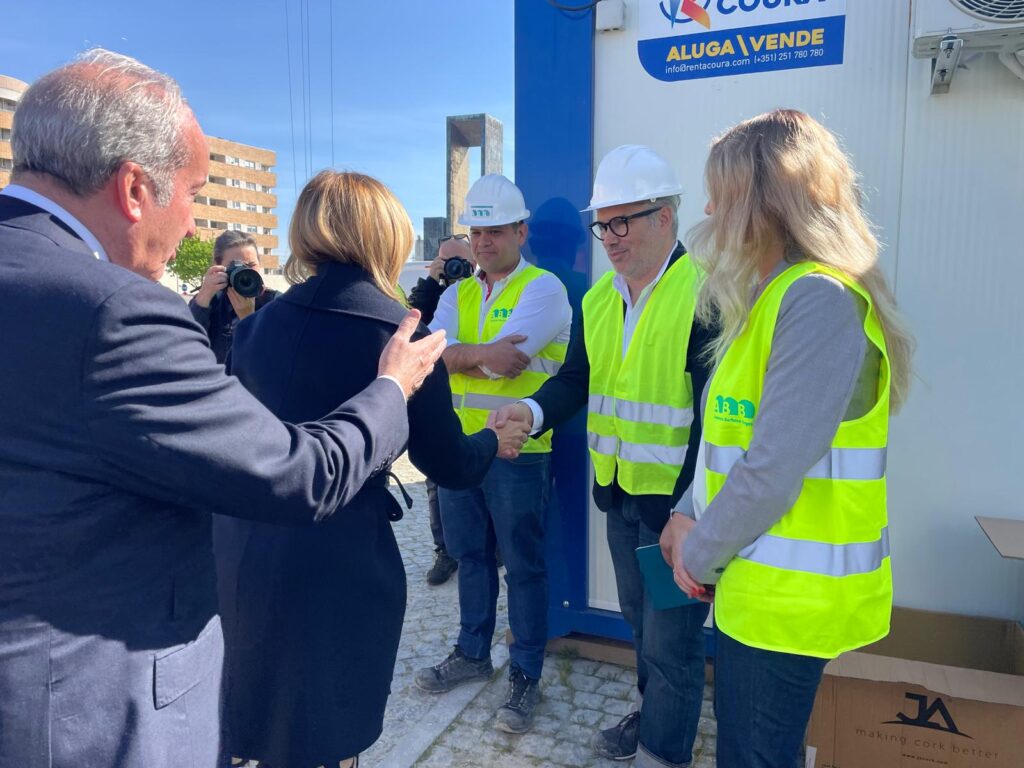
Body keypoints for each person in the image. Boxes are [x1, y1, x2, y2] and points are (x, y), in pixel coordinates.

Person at [0, 50, 443, 768]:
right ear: (135, 188)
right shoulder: (112, 310)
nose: (193, 225)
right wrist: (393, 385)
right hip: (82, 715)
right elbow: (297, 474)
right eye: (194, 193)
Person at [213, 170, 530, 767]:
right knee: (327, 735)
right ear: (388, 235)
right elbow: (449, 464)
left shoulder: (253, 329)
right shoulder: (400, 335)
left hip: (244, 553)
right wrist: (492, 439)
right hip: (341, 564)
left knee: (252, 719)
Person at [660, 109, 914, 768]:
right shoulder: (773, 296)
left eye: (721, 193)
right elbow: (731, 442)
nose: (709, 209)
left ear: (764, 202)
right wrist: (687, 511)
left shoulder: (817, 300)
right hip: (757, 595)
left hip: (786, 609)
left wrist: (696, 557)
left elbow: (771, 470)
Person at [494, 146, 715, 767]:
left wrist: (689, 509)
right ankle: (653, 717)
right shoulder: (597, 300)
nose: (610, 237)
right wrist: (530, 411)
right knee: (642, 626)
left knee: (672, 642)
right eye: (603, 224)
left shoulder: (705, 295)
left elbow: (714, 421)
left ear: (665, 216)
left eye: (623, 221)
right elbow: (575, 381)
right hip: (620, 498)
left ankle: (663, 751)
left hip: (676, 512)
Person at [414, 174, 572, 734]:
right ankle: (472, 652)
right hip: (462, 449)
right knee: (471, 557)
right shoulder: (455, 292)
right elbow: (430, 356)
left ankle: (525, 674)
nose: (483, 242)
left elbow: (508, 366)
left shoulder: (543, 289)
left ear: (521, 232)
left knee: (523, 566)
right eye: (477, 232)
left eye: (496, 231)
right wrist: (472, 355)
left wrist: (457, 354)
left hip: (517, 452)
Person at [408, 233, 478, 584]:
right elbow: (412, 330)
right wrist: (430, 285)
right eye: (447, 262)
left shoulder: (482, 290)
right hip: (438, 402)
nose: (455, 269)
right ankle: (444, 550)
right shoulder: (431, 294)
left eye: (461, 262)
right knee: (437, 483)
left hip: (477, 407)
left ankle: (487, 547)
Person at [188, 230, 279, 364]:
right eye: (235, 266)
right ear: (217, 267)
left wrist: (248, 318)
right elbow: (187, 347)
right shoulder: (210, 301)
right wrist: (203, 297)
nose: (244, 271)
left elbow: (276, 358)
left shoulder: (274, 303)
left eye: (251, 265)